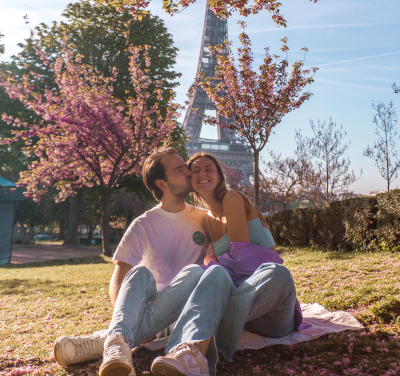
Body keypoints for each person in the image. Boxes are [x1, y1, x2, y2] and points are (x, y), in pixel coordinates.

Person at [54, 147, 210, 374]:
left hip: (184, 311)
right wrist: (126, 318)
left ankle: (108, 342)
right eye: (179, 170)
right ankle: (119, 339)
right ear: (162, 184)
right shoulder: (143, 224)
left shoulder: (205, 219)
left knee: (195, 273)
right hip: (151, 310)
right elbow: (119, 281)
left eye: (185, 166)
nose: (188, 172)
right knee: (138, 274)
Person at [150, 153, 303, 376]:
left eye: (209, 169)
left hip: (271, 309)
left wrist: (212, 274)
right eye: (195, 170)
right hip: (245, 317)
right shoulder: (206, 220)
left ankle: (191, 326)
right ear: (189, 180)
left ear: (220, 176)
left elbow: (241, 258)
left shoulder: (232, 198)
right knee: (210, 273)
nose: (202, 174)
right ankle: (189, 356)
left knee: (277, 272)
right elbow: (212, 261)